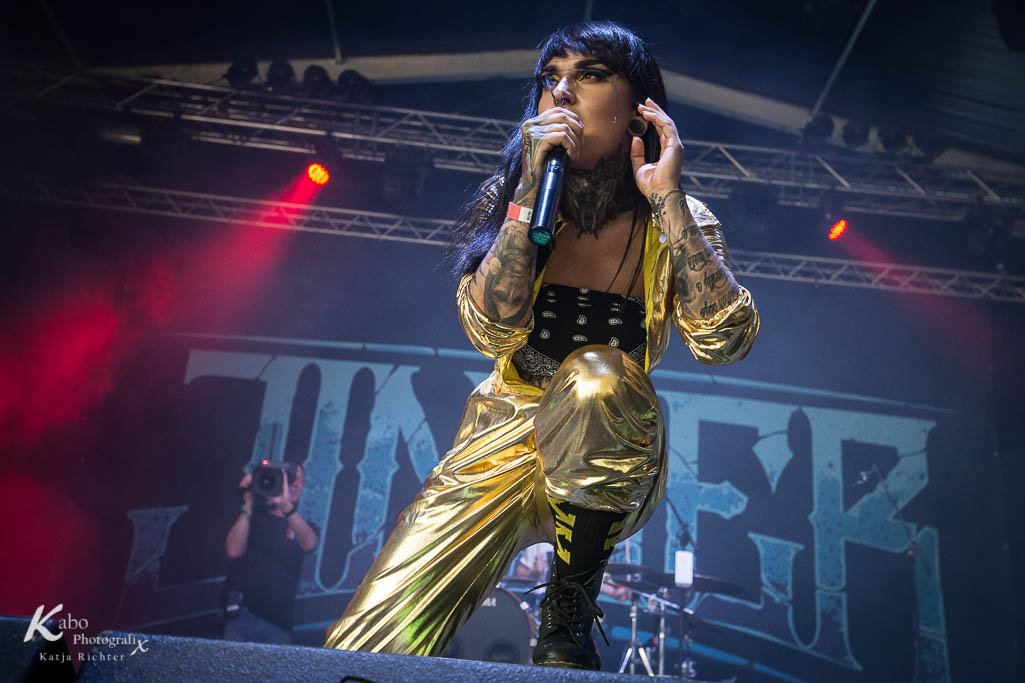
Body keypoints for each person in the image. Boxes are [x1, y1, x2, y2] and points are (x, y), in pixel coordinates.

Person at [324, 21, 759, 670]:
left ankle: (570, 604)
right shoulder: (513, 201)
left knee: (597, 374)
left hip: (610, 442)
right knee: (362, 650)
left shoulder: (679, 219)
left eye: (589, 75)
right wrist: (528, 196)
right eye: (550, 78)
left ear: (638, 107)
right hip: (501, 433)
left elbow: (724, 340)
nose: (562, 92)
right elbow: (490, 330)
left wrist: (667, 200)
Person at [223, 463, 319, 644]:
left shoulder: (304, 527)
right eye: (290, 480)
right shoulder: (252, 517)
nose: (296, 485)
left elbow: (309, 544)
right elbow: (234, 551)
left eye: (300, 481)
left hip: (279, 622)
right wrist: (249, 501)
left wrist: (286, 506)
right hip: (242, 616)